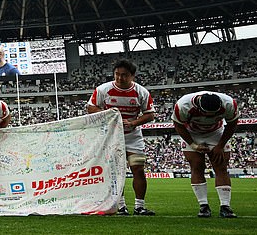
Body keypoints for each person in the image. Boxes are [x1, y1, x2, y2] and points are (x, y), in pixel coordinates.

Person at [86, 59, 156, 216]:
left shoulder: (141, 92)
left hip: (133, 136)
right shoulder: (104, 89)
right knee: (116, 171)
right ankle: (121, 206)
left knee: (138, 169)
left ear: (132, 76)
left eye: (124, 75)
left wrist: (134, 122)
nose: (119, 78)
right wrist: (111, 115)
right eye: (117, 74)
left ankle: (139, 206)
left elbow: (150, 114)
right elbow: (90, 107)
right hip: (112, 136)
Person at [172, 91, 240, 218]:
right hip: (192, 133)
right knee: (197, 166)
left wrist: (220, 145)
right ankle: (203, 206)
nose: (209, 117)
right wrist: (193, 145)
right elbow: (178, 125)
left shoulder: (229, 103)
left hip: (216, 133)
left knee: (221, 167)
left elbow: (232, 124)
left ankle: (225, 206)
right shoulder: (183, 105)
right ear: (198, 107)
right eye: (207, 114)